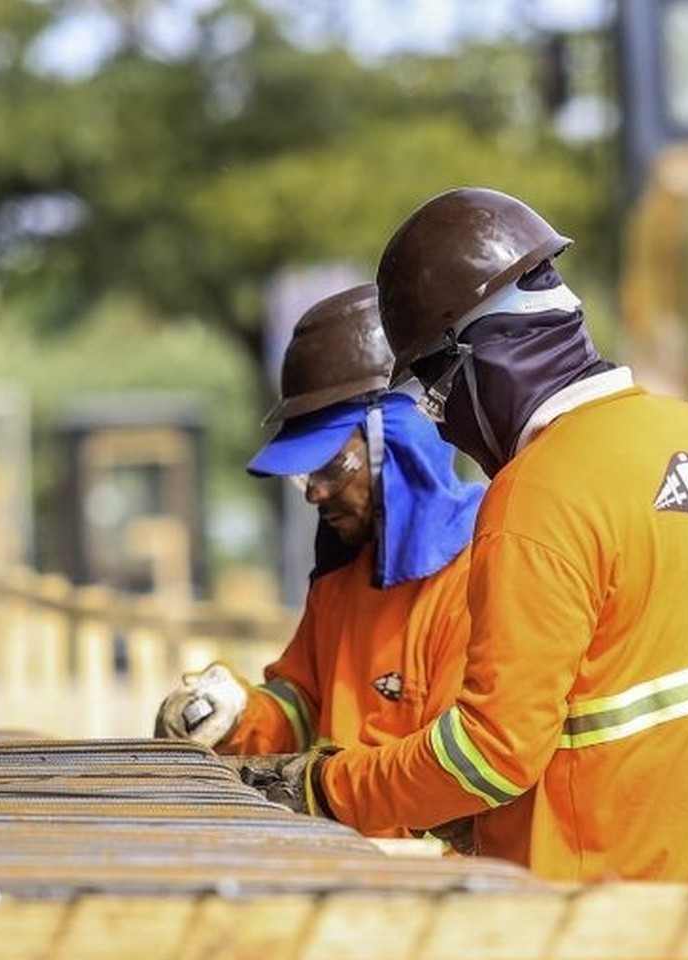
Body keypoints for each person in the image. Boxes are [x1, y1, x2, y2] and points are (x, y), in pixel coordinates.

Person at [235, 188, 688, 892]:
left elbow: (489, 753)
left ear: (482, 359)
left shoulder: (537, 497)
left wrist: (328, 788)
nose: (443, 423)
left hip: (628, 917)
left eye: (434, 385)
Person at [154, 283, 485, 837]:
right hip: (341, 864)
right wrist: (235, 716)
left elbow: (463, 781)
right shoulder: (341, 586)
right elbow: (299, 704)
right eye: (305, 476)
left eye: (330, 467)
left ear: (400, 445)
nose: (314, 495)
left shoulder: (481, 579)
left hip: (436, 891)